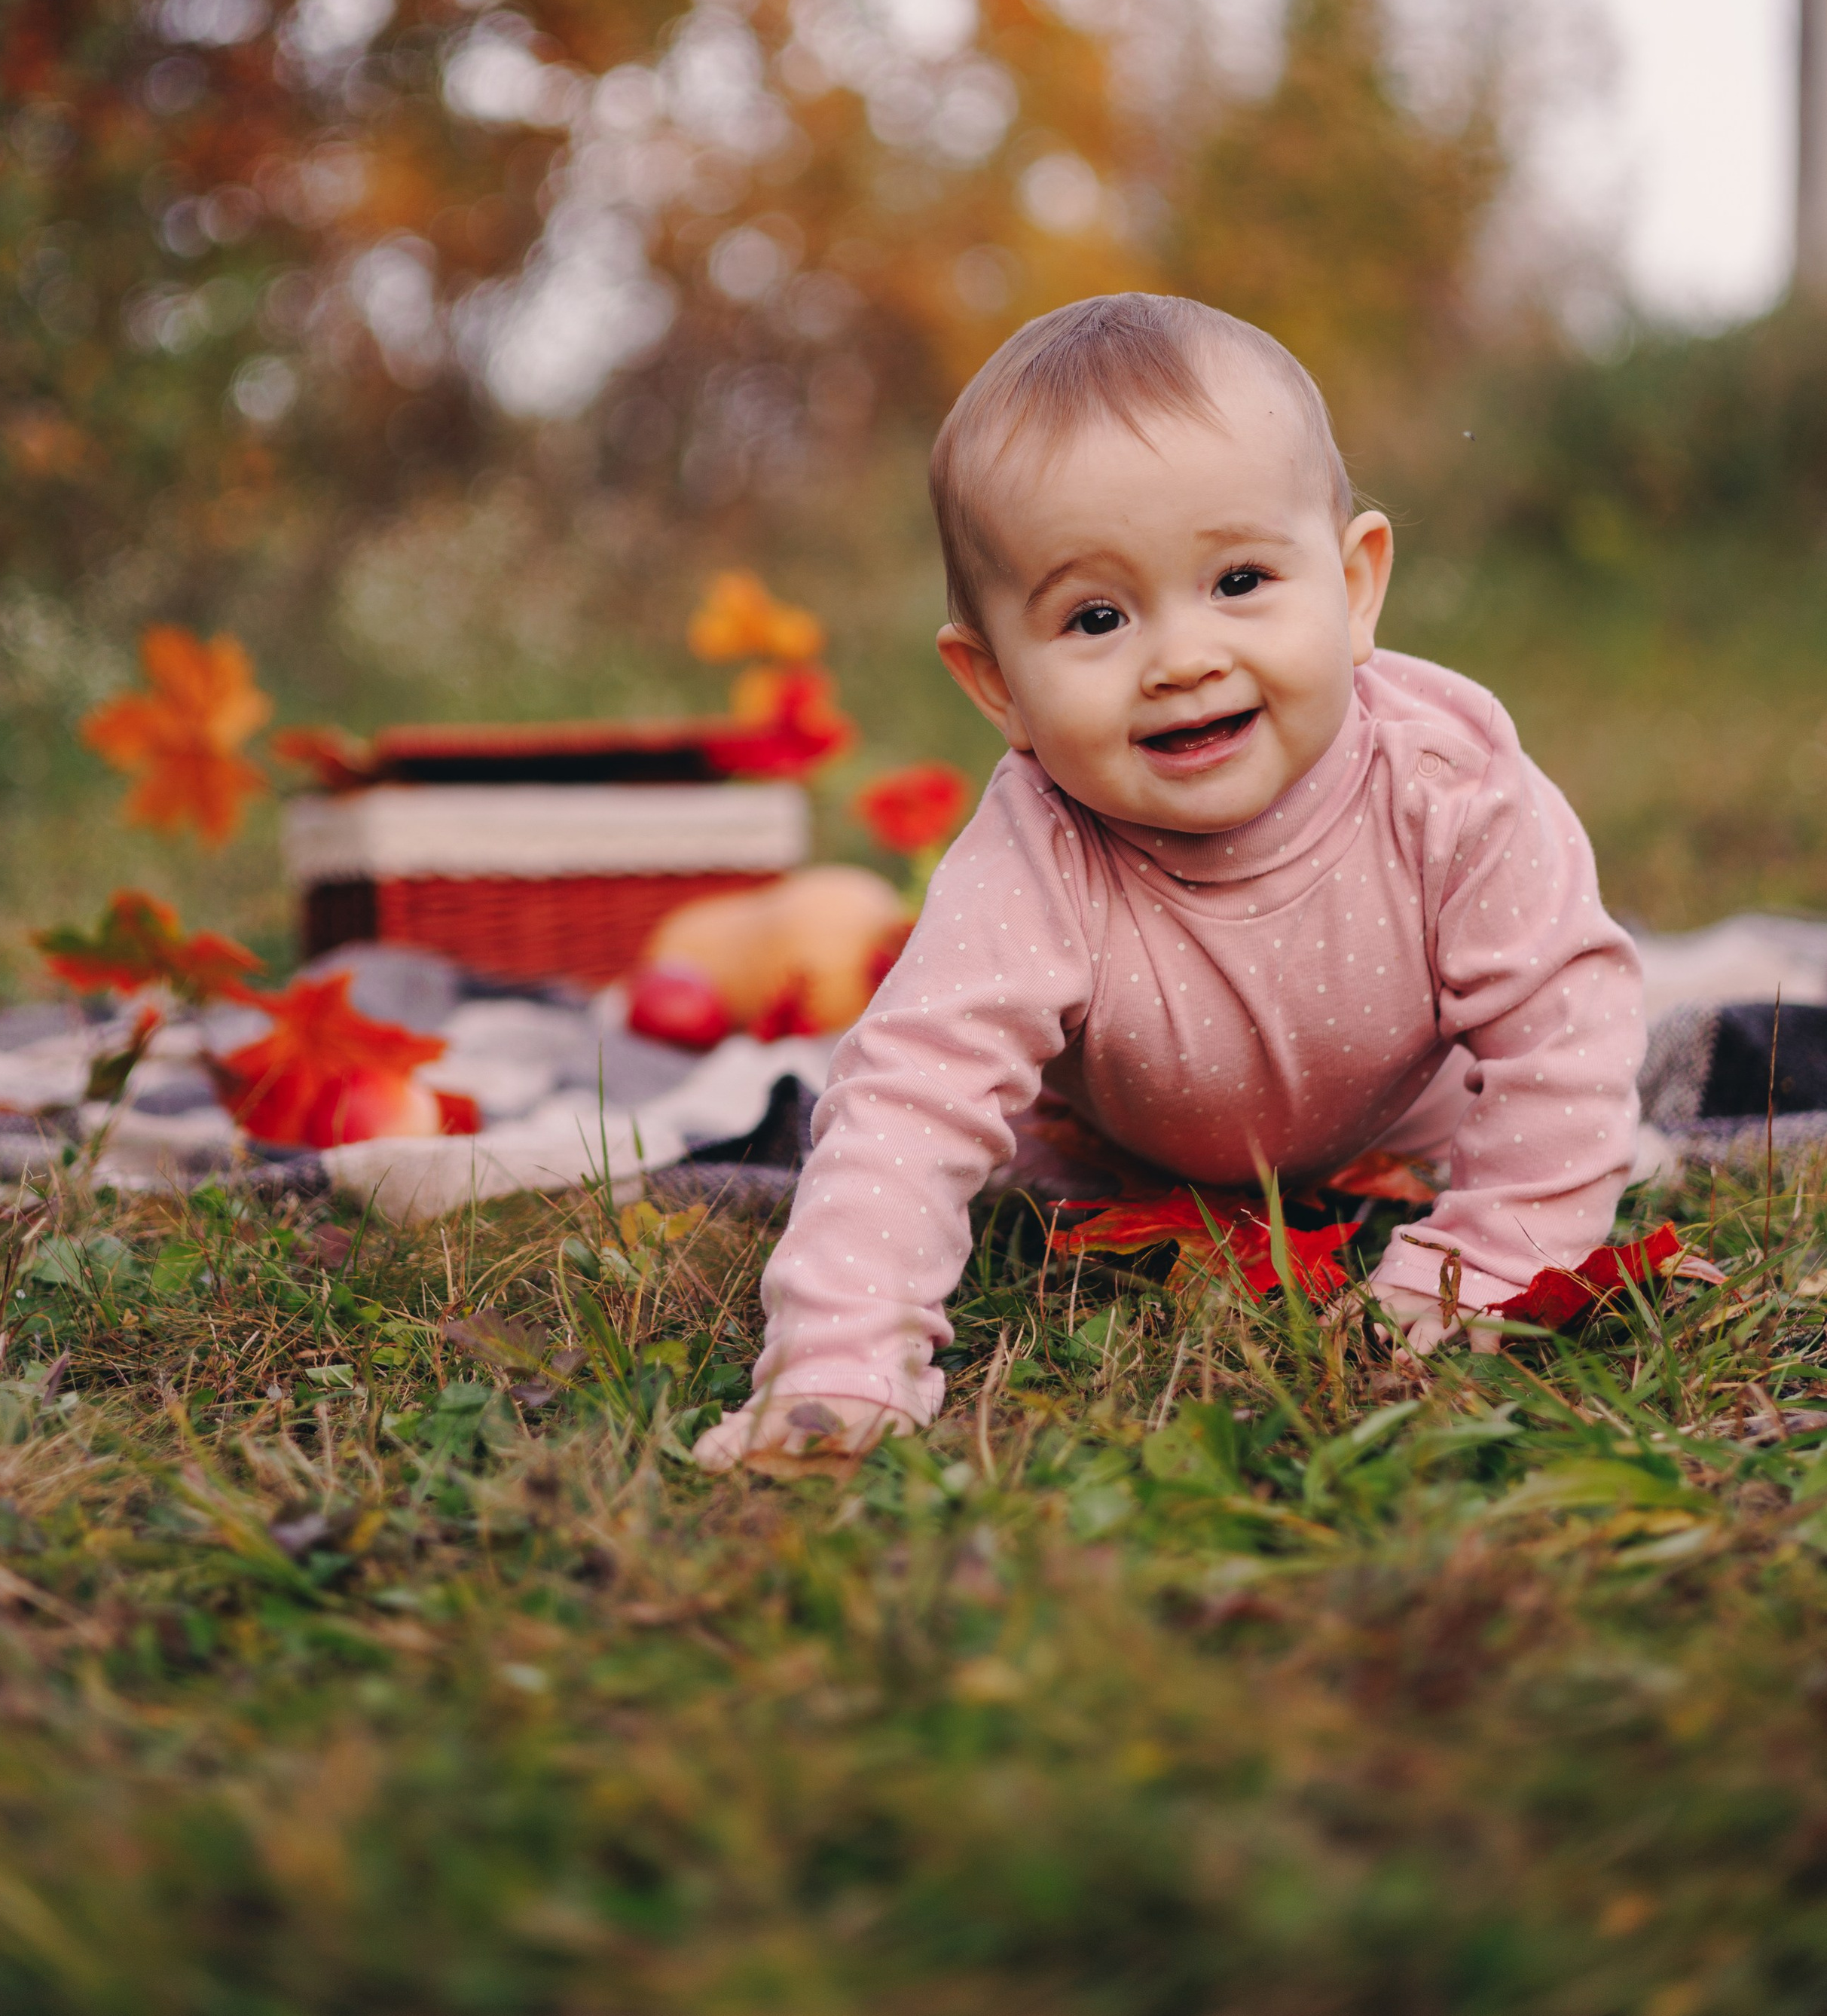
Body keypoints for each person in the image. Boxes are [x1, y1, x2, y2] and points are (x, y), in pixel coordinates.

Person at [693, 293, 1644, 1470]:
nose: (1185, 659)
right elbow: (910, 1098)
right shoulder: (1039, 850)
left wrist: (1491, 1262)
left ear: (1353, 589)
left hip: (1419, 1124)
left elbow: (1569, 1027)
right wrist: (838, 1364)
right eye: (1097, 617)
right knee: (986, 1155)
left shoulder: (1449, 785)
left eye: (1240, 581)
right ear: (996, 686)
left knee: (1563, 1090)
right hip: (1122, 1151)